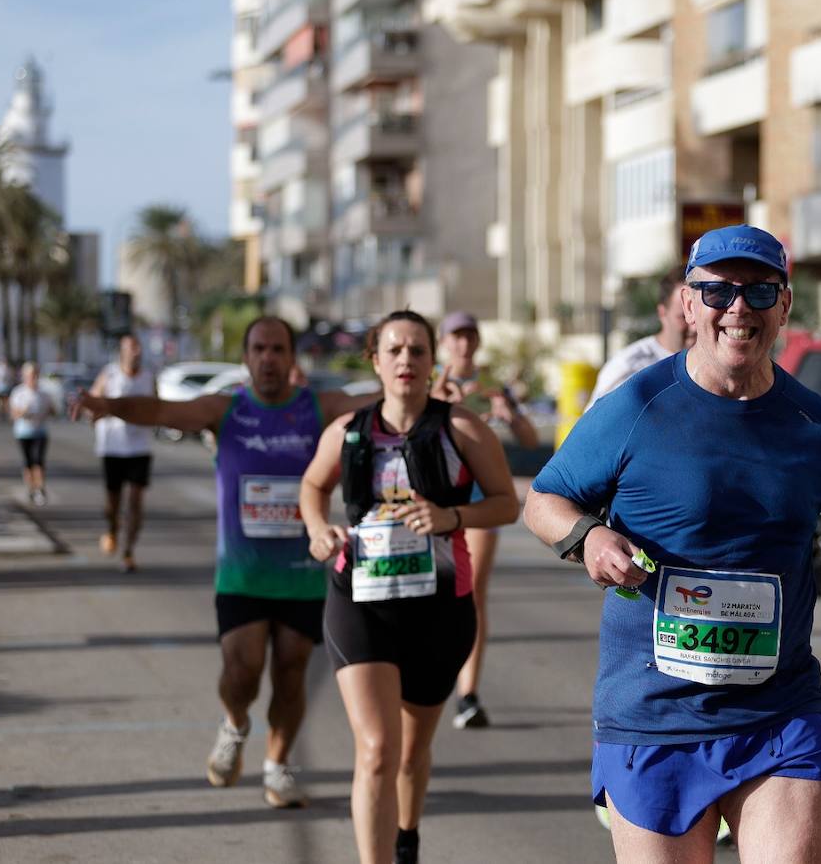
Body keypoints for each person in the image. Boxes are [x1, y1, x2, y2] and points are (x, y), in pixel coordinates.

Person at [523, 224, 821, 863]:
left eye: (758, 291)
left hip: (778, 714)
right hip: (653, 715)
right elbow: (543, 500)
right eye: (718, 291)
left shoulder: (813, 424)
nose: (738, 308)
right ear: (689, 303)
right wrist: (588, 538)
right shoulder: (638, 405)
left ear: (784, 305)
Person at [73, 316, 378, 809]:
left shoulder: (318, 409)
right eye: (259, 349)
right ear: (246, 358)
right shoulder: (226, 409)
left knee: (291, 669)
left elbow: (379, 405)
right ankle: (235, 724)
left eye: (278, 349)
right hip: (242, 572)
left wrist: (430, 391)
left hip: (302, 573)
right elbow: (162, 411)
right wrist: (106, 405)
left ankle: (277, 768)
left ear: (292, 358)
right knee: (242, 670)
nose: (269, 359)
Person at [301, 310, 518, 864]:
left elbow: (506, 504)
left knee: (411, 751)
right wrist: (317, 528)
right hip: (361, 602)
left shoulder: (462, 429)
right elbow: (312, 484)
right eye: (393, 350)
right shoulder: (349, 430)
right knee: (376, 750)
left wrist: (450, 517)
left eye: (417, 351)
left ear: (431, 362)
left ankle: (407, 840)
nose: (405, 360)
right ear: (375, 361)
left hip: (440, 609)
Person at [431, 310, 538, 729]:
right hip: (432, 499)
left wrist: (508, 413)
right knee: (428, 593)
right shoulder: (428, 381)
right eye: (455, 336)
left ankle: (468, 694)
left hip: (479, 500)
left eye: (469, 336)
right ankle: (428, 674)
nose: (462, 344)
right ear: (443, 342)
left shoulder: (492, 385)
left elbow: (529, 440)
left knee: (472, 594)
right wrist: (443, 405)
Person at [584, 265, 695, 411]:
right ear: (662, 313)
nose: (694, 327)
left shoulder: (718, 365)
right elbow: (595, 429)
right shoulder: (629, 368)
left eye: (699, 317)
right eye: (683, 317)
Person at [90, 333, 155, 572]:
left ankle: (128, 552)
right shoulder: (109, 375)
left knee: (136, 502)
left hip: (139, 448)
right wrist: (96, 411)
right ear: (122, 352)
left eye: (138, 347)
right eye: (131, 348)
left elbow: (158, 406)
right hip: (113, 447)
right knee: (113, 504)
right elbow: (94, 403)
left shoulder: (149, 377)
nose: (136, 352)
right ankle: (111, 529)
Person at [9, 362, 54, 505]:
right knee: (28, 463)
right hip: (23, 432)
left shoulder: (44, 393)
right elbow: (14, 414)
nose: (32, 378)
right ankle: (31, 488)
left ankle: (40, 489)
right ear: (24, 376)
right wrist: (24, 411)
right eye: (29, 375)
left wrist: (46, 411)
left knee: (38, 461)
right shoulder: (18, 392)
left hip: (40, 432)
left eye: (35, 375)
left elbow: (53, 411)